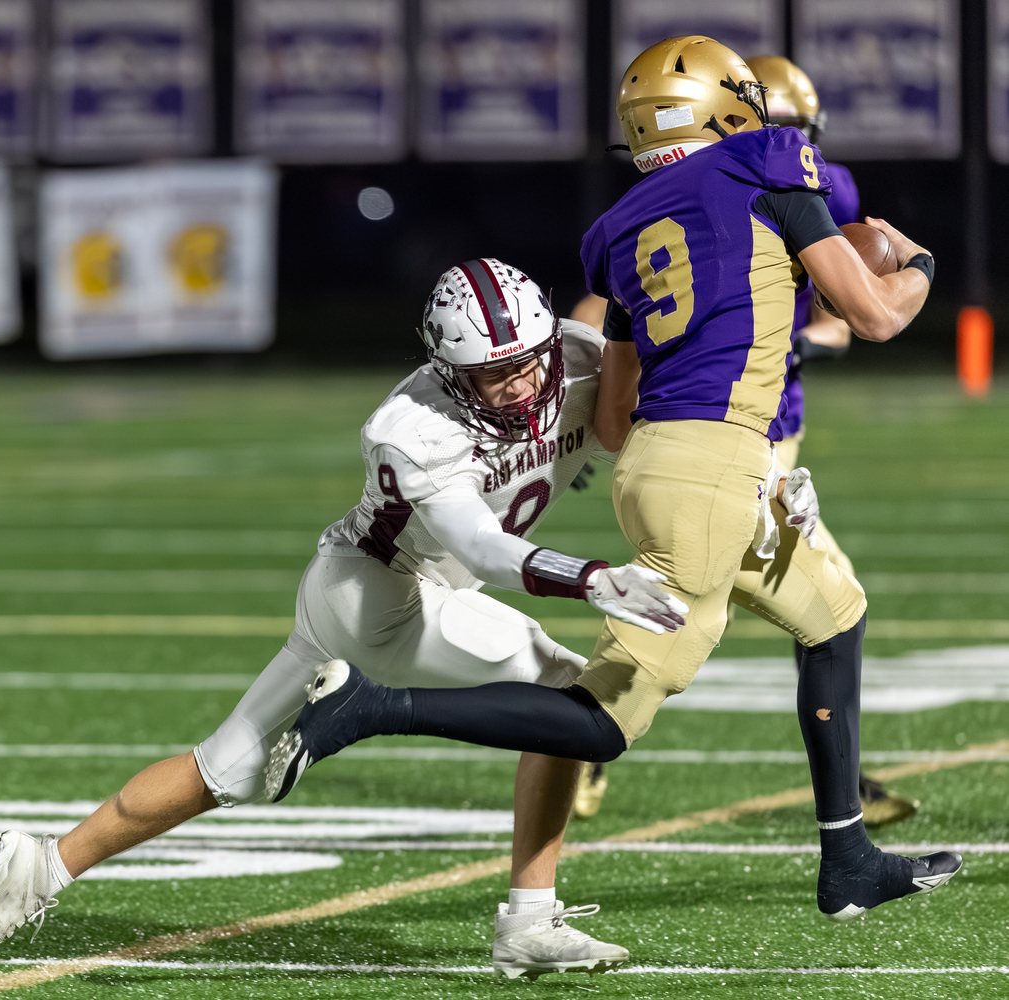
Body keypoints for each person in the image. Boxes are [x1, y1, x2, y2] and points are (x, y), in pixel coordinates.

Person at [268, 37, 959, 925]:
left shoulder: (619, 228)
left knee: (834, 613)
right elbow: (871, 316)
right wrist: (919, 265)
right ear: (721, 103)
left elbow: (612, 420)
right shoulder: (769, 155)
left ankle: (850, 855)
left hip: (672, 466)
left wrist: (742, 463)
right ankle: (373, 707)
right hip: (708, 474)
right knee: (604, 721)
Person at [0, 259, 689, 979]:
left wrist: (766, 480)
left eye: (529, 362)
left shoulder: (583, 358)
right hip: (381, 598)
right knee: (563, 693)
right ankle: (527, 916)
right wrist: (591, 579)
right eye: (493, 374)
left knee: (226, 769)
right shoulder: (414, 426)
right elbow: (482, 548)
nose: (522, 384)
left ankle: (44, 865)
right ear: (447, 372)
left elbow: (672, 410)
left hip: (351, 590)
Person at [566, 55, 918, 829]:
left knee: (800, 601)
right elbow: (868, 317)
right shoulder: (760, 167)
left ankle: (842, 806)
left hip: (751, 417)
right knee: (769, 598)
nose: (800, 144)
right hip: (728, 430)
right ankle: (579, 741)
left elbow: (829, 320)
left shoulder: (689, 194)